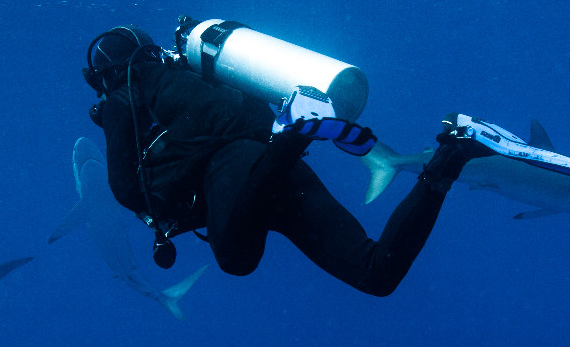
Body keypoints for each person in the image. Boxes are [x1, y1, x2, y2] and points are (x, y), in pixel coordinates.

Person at [82, 24, 497, 298]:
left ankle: (290, 139)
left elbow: (123, 189)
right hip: (274, 166)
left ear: (104, 76)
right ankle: (451, 154)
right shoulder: (197, 70)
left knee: (237, 261)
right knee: (375, 273)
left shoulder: (123, 99)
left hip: (240, 175)